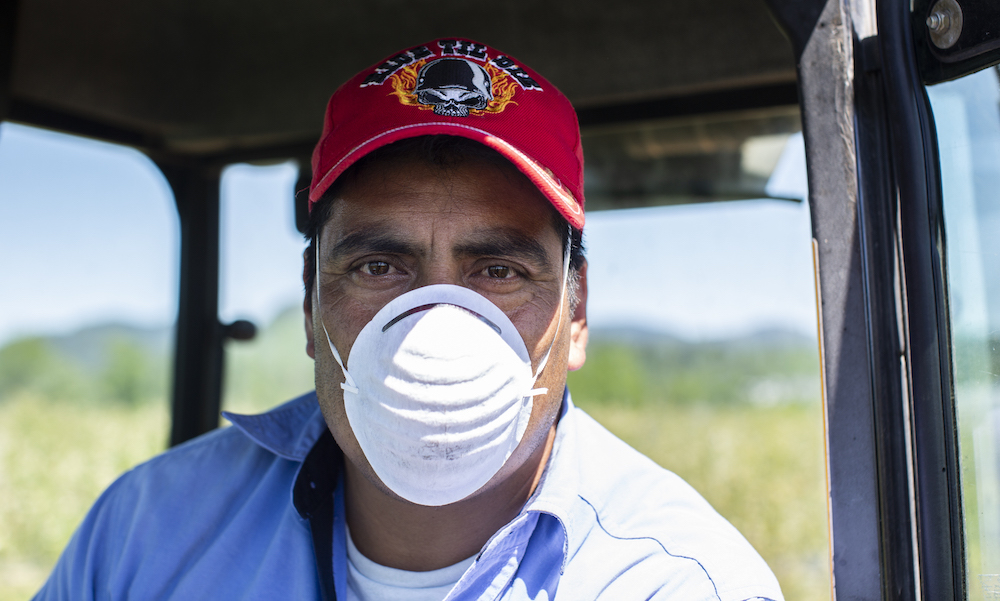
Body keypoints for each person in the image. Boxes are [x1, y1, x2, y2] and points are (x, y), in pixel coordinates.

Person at [35, 38, 784, 600]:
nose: (434, 323)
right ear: (310, 301)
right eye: (379, 267)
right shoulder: (147, 533)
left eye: (498, 271)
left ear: (576, 310)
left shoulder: (672, 580)